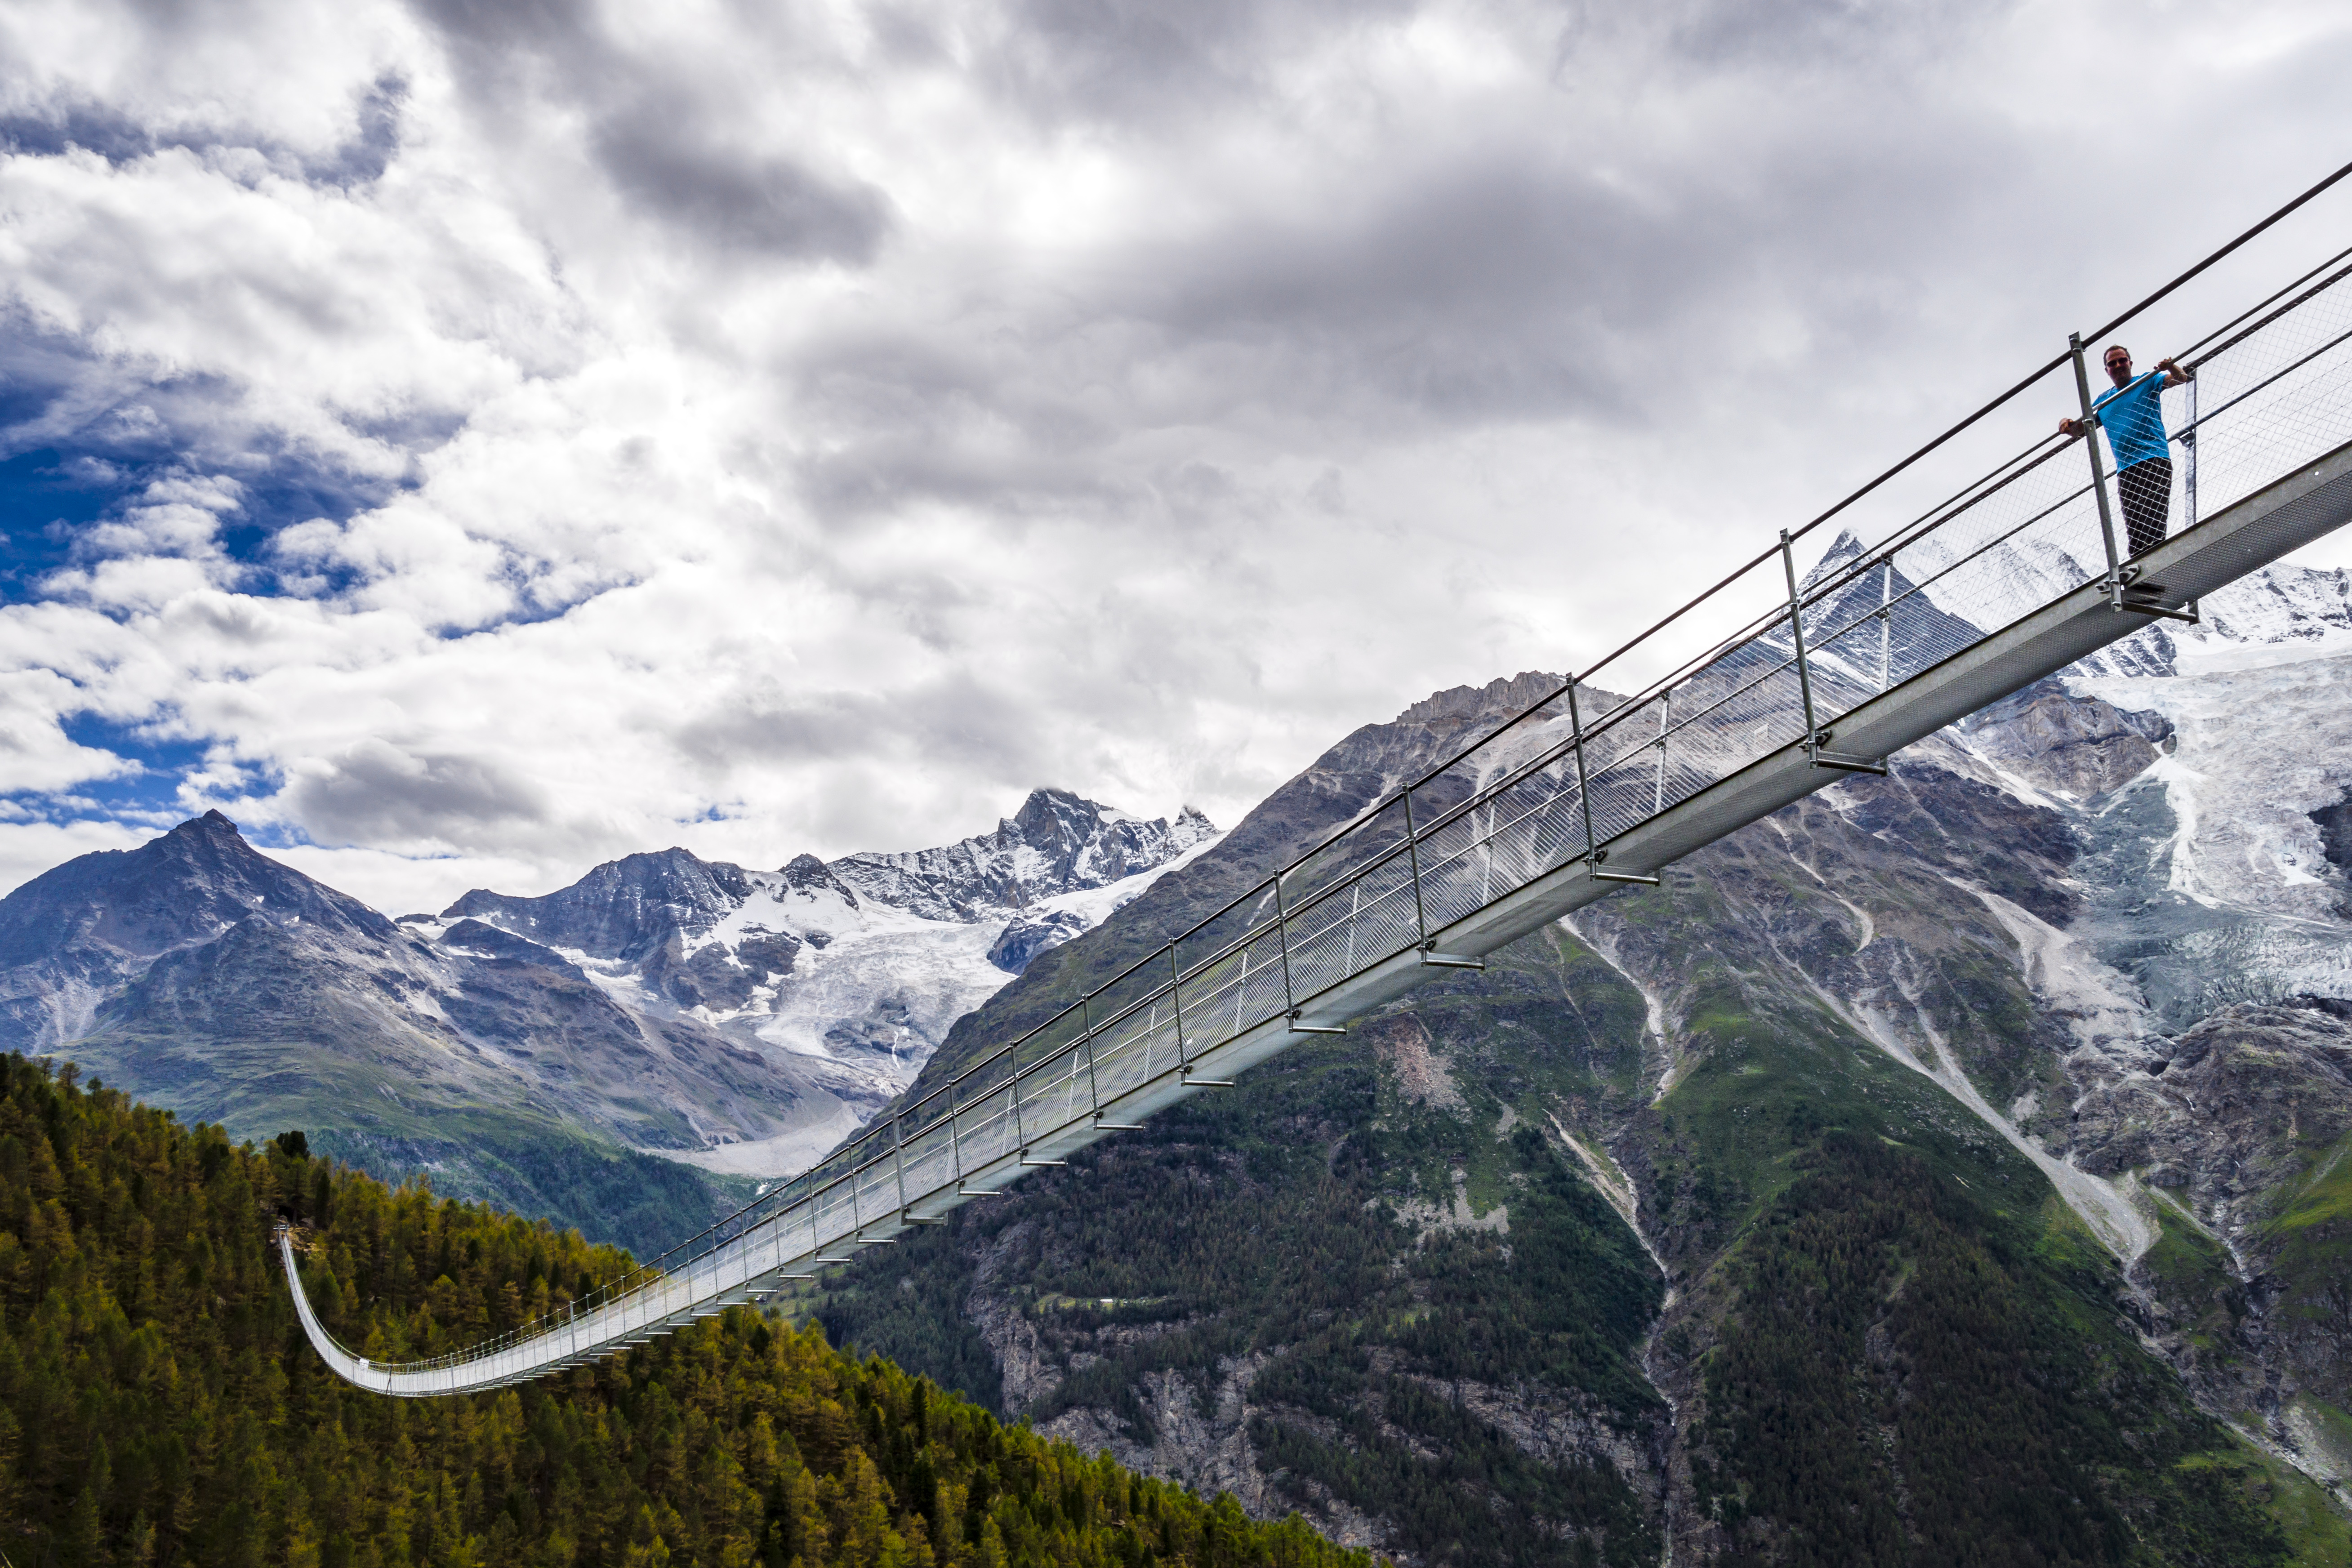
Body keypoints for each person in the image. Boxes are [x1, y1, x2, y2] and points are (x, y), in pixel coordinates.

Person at [2059, 345, 2189, 557]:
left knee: (2153, 520)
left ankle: (2155, 565)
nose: (2118, 366)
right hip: (2126, 469)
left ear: (2130, 363)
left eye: (2122, 361)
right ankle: (2141, 570)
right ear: (2107, 370)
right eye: (2112, 363)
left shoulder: (2146, 380)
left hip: (2154, 459)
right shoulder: (2104, 401)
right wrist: (2065, 425)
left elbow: (2181, 378)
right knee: (2135, 526)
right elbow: (2080, 429)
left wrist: (2170, 366)